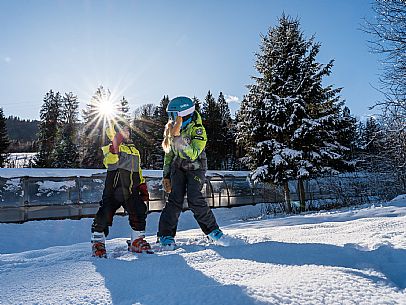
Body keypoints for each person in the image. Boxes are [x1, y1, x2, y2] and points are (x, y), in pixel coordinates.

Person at [157, 96, 224, 249]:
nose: (171, 119)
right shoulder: (171, 128)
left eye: (174, 116)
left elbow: (192, 154)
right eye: (170, 116)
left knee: (195, 197)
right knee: (175, 200)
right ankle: (165, 235)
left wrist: (177, 136)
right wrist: (166, 175)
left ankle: (213, 231)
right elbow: (169, 155)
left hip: (196, 167)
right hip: (178, 168)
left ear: (185, 114)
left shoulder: (198, 130)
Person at [91, 123, 152, 257]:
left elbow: (138, 169)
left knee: (139, 210)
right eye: (123, 131)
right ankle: (98, 242)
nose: (127, 133)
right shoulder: (110, 146)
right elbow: (110, 162)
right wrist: (114, 147)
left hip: (131, 190)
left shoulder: (134, 149)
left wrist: (142, 184)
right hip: (114, 189)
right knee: (105, 212)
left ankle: (137, 240)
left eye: (128, 131)